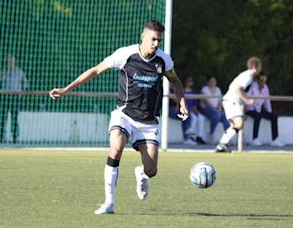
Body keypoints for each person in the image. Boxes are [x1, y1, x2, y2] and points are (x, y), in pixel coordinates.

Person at [49, 20, 189, 214]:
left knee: (151, 170)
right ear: (143, 37)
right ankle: (109, 203)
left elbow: (175, 81)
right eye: (153, 39)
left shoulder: (164, 61)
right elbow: (96, 70)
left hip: (148, 122)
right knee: (115, 150)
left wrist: (181, 101)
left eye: (159, 40)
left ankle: (141, 173)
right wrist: (66, 89)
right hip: (124, 115)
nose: (156, 44)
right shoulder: (125, 54)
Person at [215, 57, 262, 152]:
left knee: (236, 124)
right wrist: (247, 101)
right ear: (254, 66)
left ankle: (222, 144)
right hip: (232, 101)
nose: (261, 69)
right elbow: (238, 89)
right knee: (239, 124)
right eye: (259, 66)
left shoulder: (247, 76)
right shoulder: (248, 76)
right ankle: (222, 144)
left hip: (232, 101)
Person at [246, 75, 284, 147]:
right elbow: (246, 98)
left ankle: (275, 139)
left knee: (274, 117)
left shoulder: (265, 87)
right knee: (258, 116)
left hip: (259, 109)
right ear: (258, 81)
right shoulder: (253, 86)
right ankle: (255, 139)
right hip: (250, 108)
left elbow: (267, 101)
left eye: (264, 81)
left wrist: (269, 112)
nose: (263, 82)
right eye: (261, 80)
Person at [0, 55, 27, 144]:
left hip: (15, 97)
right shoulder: (3, 72)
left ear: (14, 62)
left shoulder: (20, 72)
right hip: (4, 96)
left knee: (15, 118)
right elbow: (0, 81)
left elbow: (24, 84)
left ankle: (15, 137)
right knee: (2, 118)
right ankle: (1, 137)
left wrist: (21, 93)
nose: (10, 63)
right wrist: (7, 73)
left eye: (12, 61)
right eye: (9, 61)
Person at [200, 75, 230, 142]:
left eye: (214, 81)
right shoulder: (204, 89)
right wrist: (216, 110)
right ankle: (211, 133)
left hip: (217, 110)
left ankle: (227, 137)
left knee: (225, 116)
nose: (213, 82)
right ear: (208, 82)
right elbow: (207, 103)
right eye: (211, 81)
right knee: (217, 114)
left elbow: (220, 101)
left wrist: (219, 109)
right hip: (207, 109)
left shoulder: (218, 89)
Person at [183, 75, 206, 144]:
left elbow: (194, 103)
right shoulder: (182, 90)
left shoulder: (193, 91)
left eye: (191, 81)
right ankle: (190, 137)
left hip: (192, 109)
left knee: (201, 117)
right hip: (186, 110)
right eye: (188, 81)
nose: (190, 83)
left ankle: (199, 136)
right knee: (194, 118)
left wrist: (195, 110)